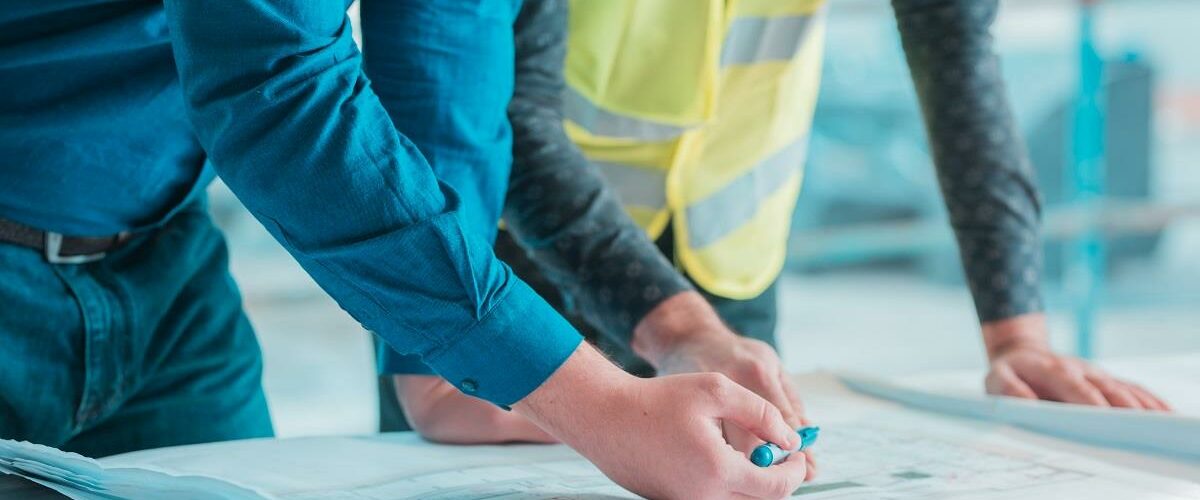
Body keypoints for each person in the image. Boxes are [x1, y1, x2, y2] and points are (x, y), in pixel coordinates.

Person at [0, 1, 810, 498]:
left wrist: (448, 367)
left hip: (164, 267)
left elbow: (447, 61)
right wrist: (595, 403)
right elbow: (276, 84)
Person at [372, 0, 1170, 445]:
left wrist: (1017, 338)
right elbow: (496, 103)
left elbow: (956, 49)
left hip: (730, 265)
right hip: (511, 264)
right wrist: (678, 330)